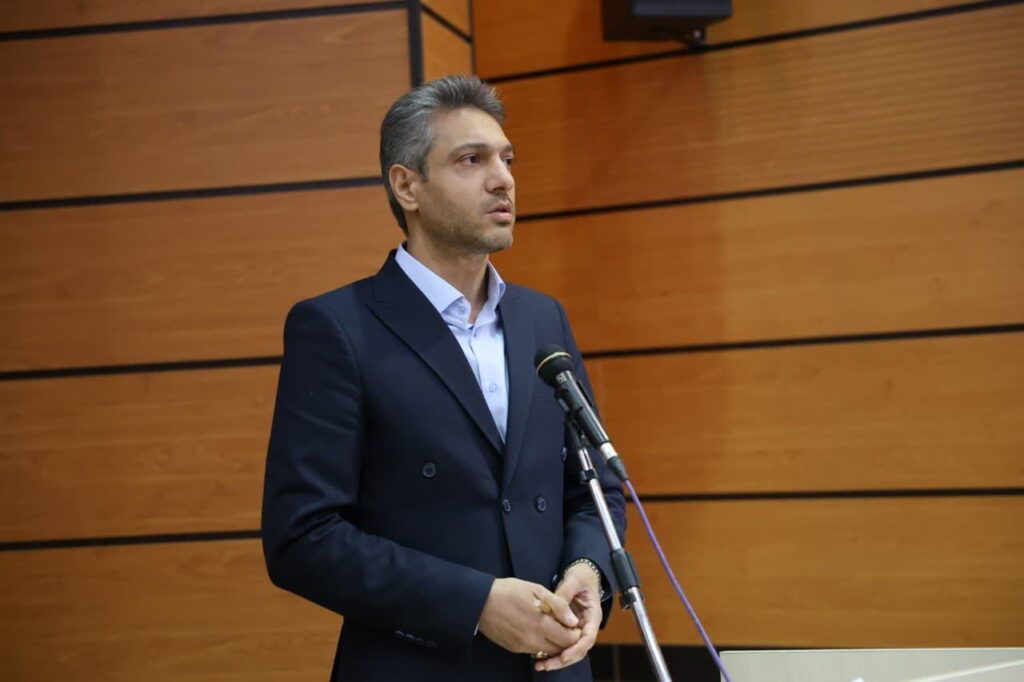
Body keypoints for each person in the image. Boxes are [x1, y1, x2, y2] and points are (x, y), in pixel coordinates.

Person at [261, 74, 626, 681]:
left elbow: (594, 489)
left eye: (507, 159)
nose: (503, 179)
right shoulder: (337, 328)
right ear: (407, 185)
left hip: (556, 668)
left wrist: (590, 570)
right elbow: (302, 538)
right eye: (471, 160)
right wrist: (475, 604)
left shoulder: (543, 319)